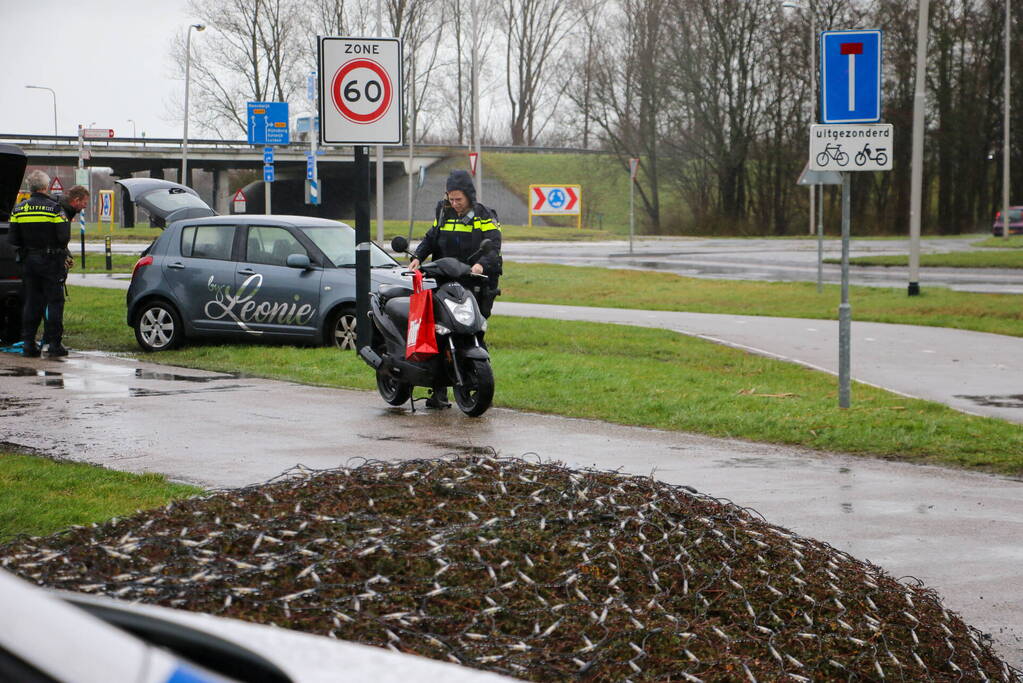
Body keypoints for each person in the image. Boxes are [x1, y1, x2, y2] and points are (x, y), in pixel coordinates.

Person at [410, 169, 503, 408]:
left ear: (469, 196)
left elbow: (493, 246)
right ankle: (438, 390)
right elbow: (431, 238)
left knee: (474, 331)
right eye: (451, 198)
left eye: (458, 199)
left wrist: (481, 265)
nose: (454, 203)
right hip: (445, 278)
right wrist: (418, 257)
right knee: (439, 331)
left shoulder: (484, 215)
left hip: (475, 282)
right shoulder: (443, 212)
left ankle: (478, 381)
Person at [8, 172, 87, 357]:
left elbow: (13, 238)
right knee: (54, 302)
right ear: (45, 187)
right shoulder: (55, 209)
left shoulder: (18, 209)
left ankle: (28, 344)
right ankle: (54, 344)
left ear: (31, 187)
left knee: (32, 302)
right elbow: (63, 237)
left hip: (29, 262)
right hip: (52, 262)